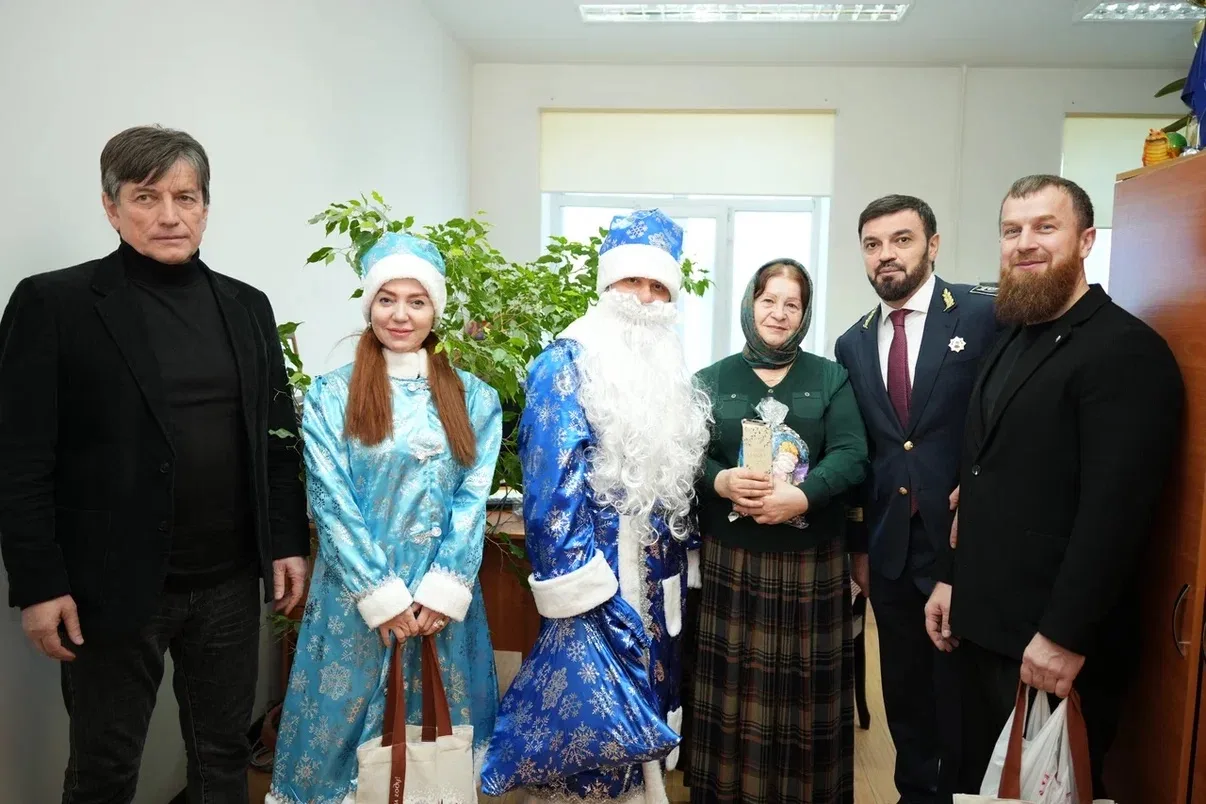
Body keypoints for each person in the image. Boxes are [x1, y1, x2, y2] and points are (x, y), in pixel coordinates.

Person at [0, 124, 310, 802]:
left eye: (185, 197)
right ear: (111, 208)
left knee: (223, 759)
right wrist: (39, 584)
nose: (169, 215)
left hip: (229, 582)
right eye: (146, 197)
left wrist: (286, 541)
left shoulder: (247, 306)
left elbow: (276, 438)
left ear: (205, 207)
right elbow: (18, 459)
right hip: (108, 588)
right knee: (104, 770)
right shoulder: (53, 304)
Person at [924, 175, 1184, 797]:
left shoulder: (1125, 350)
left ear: (1086, 240)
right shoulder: (1012, 336)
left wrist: (1064, 635)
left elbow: (1114, 515)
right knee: (975, 784)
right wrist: (951, 578)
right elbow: (977, 474)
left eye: (1046, 227)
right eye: (1011, 230)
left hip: (1051, 645)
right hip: (984, 628)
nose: (1025, 243)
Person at [480, 209, 712, 802]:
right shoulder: (567, 362)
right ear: (608, 283)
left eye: (658, 285)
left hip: (656, 583)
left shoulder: (667, 367)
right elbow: (550, 488)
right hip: (597, 587)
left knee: (645, 720)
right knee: (592, 738)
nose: (645, 297)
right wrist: (582, 593)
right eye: (632, 280)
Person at [267, 233, 502, 803]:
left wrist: (442, 590)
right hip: (354, 603)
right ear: (369, 306)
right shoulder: (331, 395)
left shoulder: (474, 398)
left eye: (416, 302)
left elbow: (472, 501)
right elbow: (331, 500)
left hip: (438, 608)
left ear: (435, 311)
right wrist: (381, 595)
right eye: (387, 299)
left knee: (435, 745)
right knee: (339, 750)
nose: (401, 315)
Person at [834, 194, 1001, 803]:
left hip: (964, 543)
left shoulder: (984, 315)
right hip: (891, 550)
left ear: (932, 245)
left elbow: (1009, 418)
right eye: (873, 244)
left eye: (901, 240)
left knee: (962, 698)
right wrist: (860, 549)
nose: (886, 255)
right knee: (903, 694)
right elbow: (863, 456)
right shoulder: (852, 342)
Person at [687, 258, 868, 804]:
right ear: (751, 303)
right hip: (732, 559)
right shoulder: (710, 380)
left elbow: (853, 454)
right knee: (733, 691)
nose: (779, 313)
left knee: (804, 693)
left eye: (792, 304)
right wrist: (719, 481)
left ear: (804, 313)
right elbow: (685, 457)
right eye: (769, 300)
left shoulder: (830, 378)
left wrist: (805, 496)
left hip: (810, 560)